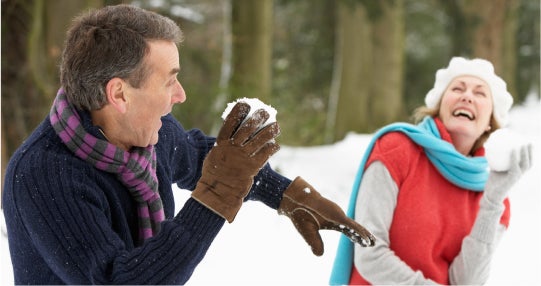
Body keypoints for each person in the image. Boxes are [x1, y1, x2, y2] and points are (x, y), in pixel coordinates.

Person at [2, 4, 375, 285]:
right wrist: (217, 194)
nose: (180, 95)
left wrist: (289, 196)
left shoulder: (150, 135)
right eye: (169, 81)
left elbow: (200, 157)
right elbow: (120, 281)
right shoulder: (43, 176)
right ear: (119, 94)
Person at [329, 57, 533, 285]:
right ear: (439, 106)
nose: (467, 96)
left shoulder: (496, 200)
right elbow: (368, 251)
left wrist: (493, 202)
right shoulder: (396, 149)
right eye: (457, 88)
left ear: (490, 122)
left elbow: (466, 282)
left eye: (480, 93)